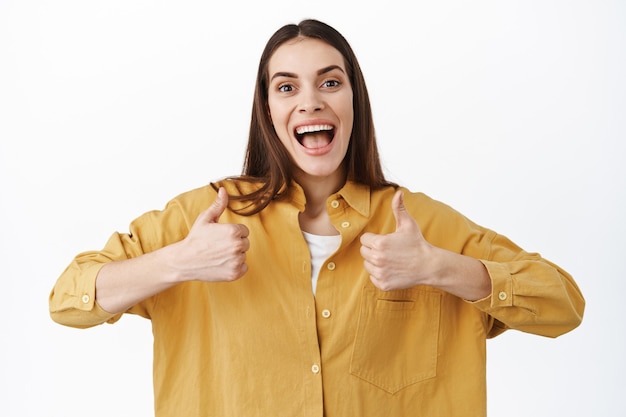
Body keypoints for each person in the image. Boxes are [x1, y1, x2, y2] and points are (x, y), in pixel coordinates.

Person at [49, 19, 585, 417]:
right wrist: (176, 263)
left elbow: (564, 304)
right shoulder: (201, 219)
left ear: (355, 100)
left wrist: (439, 268)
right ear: (268, 110)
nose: (309, 102)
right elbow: (69, 299)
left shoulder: (417, 225)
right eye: (287, 88)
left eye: (330, 83)